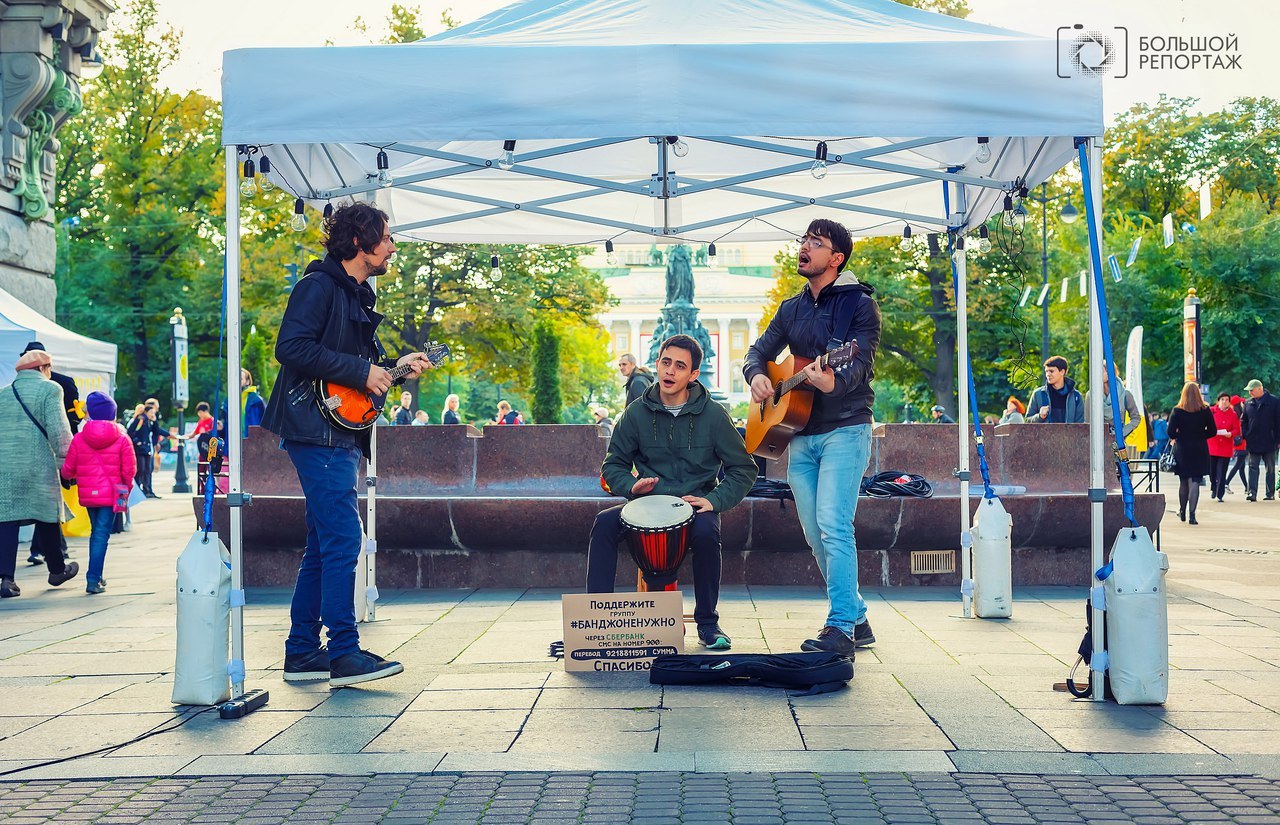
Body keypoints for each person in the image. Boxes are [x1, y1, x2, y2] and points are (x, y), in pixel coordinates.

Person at [259, 201, 433, 688]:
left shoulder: (354, 294)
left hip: (332, 431)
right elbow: (291, 347)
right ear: (360, 241)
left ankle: (300, 652)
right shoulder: (318, 287)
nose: (393, 246)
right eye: (387, 238)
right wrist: (363, 370)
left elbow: (350, 378)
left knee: (323, 545)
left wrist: (392, 371)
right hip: (317, 433)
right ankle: (344, 652)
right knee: (343, 539)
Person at [744, 218, 881, 656]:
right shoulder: (790, 308)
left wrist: (829, 383)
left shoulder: (860, 305)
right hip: (797, 432)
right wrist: (758, 378)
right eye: (803, 239)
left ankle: (839, 626)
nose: (803, 247)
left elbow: (857, 366)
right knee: (813, 532)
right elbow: (757, 353)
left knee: (833, 525)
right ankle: (857, 617)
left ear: (836, 258)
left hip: (846, 426)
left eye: (815, 242)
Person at [591, 335, 757, 650]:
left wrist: (714, 500)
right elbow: (612, 467)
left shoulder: (713, 415)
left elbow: (744, 468)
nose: (670, 371)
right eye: (666, 362)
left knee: (708, 533)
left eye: (680, 366)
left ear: (693, 375)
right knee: (603, 524)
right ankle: (597, 622)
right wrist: (631, 486)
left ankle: (708, 623)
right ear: (657, 364)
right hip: (647, 507)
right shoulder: (636, 413)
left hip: (694, 507)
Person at [0, 349, 80, 597]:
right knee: (46, 515)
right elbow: (59, 429)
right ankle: (57, 570)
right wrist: (67, 461)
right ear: (44, 367)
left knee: (7, 519)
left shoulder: (3, 394)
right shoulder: (51, 389)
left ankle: (6, 578)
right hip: (38, 464)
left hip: (5, 466)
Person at [60, 392, 134, 594]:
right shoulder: (122, 438)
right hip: (113, 494)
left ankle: (97, 576)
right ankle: (93, 579)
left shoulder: (79, 439)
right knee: (101, 535)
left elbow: (67, 470)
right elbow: (129, 471)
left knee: (96, 533)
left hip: (89, 495)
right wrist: (126, 488)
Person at [1167, 381, 1215, 525]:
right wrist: (1201, 435)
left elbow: (1170, 432)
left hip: (1182, 448)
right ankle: (1192, 515)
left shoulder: (1177, 410)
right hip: (1199, 448)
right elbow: (1212, 430)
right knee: (1195, 480)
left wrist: (1179, 435)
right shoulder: (1205, 410)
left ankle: (1182, 511)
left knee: (1183, 481)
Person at [1240, 379, 1280, 502]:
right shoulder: (1248, 403)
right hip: (1253, 441)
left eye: (1252, 390)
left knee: (1270, 468)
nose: (1250, 392)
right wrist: (1246, 435)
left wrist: (1277, 439)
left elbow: (1278, 422)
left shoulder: (1274, 401)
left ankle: (1270, 493)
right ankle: (1252, 492)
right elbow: (1244, 421)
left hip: (1270, 440)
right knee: (1252, 467)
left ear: (1259, 388)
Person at [1084, 373, 1142, 440]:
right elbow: (1087, 423)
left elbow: (1136, 418)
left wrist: (1122, 432)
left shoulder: (1125, 394)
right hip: (1097, 440)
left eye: (1101, 370)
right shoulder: (1091, 395)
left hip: (1118, 440)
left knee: (1116, 450)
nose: (1097, 372)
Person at [1027, 356, 1084, 423]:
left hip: (1069, 434)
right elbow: (1027, 421)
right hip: (1044, 433)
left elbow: (1080, 426)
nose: (1048, 374)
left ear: (1062, 372)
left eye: (1051, 371)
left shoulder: (1076, 397)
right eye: (1046, 371)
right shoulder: (1038, 394)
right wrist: (1040, 416)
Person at [1208, 391, 1242, 503]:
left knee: (1222, 471)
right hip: (1212, 445)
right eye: (1222, 400)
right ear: (1218, 401)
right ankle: (1214, 486)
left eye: (1226, 400)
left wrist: (1231, 433)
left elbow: (1237, 429)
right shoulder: (1212, 412)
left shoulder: (1233, 414)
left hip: (1225, 447)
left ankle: (1220, 493)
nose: (1224, 402)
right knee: (1212, 471)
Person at [126, 401, 163, 498]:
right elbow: (130, 431)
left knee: (148, 469)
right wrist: (137, 442)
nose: (153, 415)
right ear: (146, 412)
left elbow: (156, 432)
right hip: (140, 449)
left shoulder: (149, 422)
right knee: (140, 469)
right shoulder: (140, 419)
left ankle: (147, 490)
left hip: (147, 449)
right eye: (151, 413)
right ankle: (138, 490)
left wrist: (155, 422)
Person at [1224, 398, 1249, 494]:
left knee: (1241, 467)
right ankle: (1226, 483)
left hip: (1237, 444)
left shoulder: (1234, 415)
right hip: (1242, 445)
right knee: (1238, 465)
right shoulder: (1241, 416)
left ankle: (1247, 487)